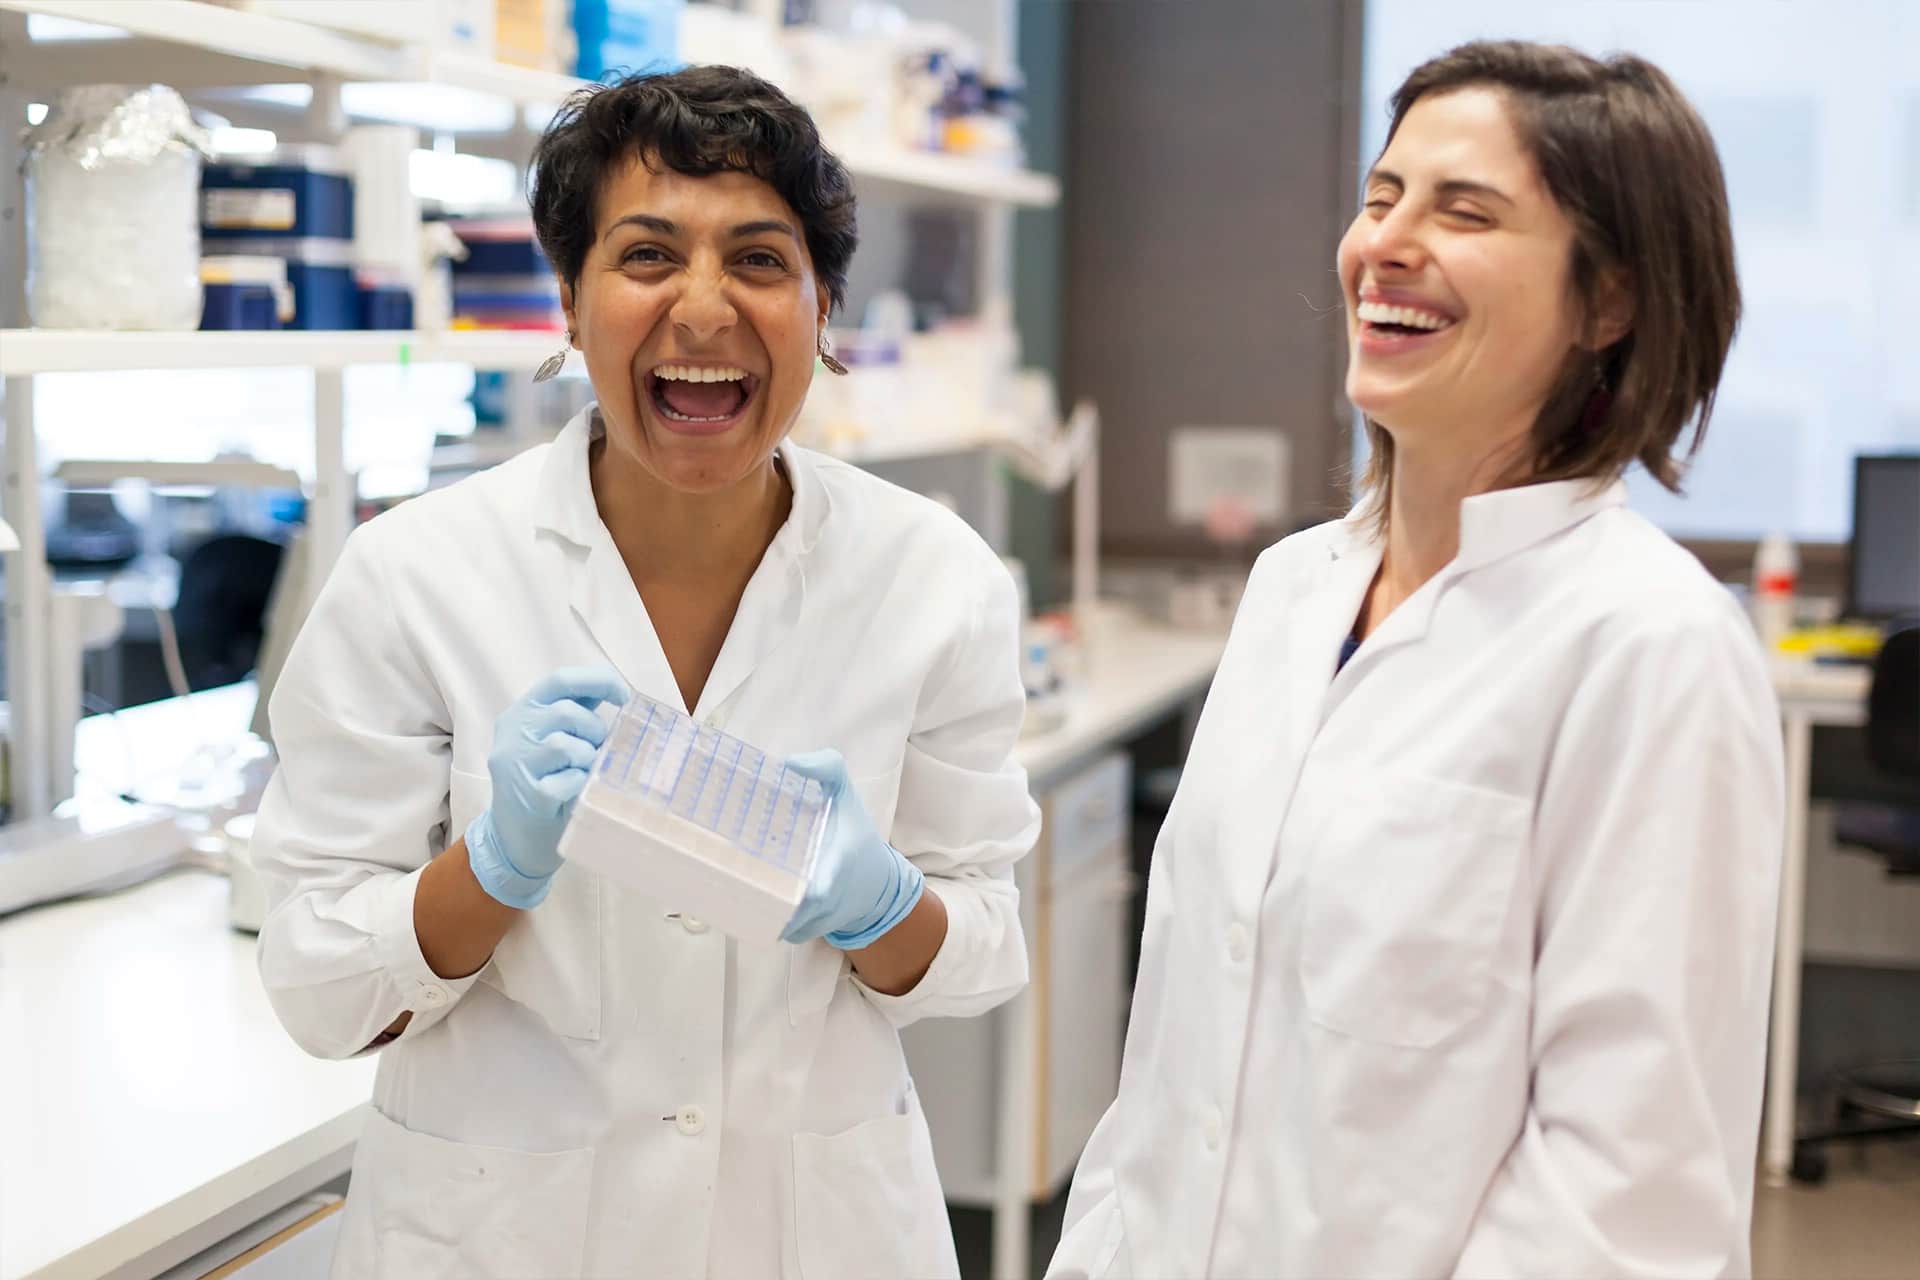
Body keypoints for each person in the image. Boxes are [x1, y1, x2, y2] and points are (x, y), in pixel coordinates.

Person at [253, 65, 1039, 1280]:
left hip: (811, 1231)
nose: (706, 309)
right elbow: (317, 981)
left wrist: (884, 902)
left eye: (762, 260)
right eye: (647, 255)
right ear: (569, 300)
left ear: (825, 306)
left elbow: (981, 946)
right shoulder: (415, 573)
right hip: (500, 1233)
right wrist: (493, 865)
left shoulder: (935, 579)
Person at [1049, 40, 1783, 1279]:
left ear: (1607, 301)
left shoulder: (1650, 646)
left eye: (1465, 210)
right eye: (1381, 195)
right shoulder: (1293, 590)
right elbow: (1177, 1059)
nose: (1385, 242)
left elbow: (1624, 1195)